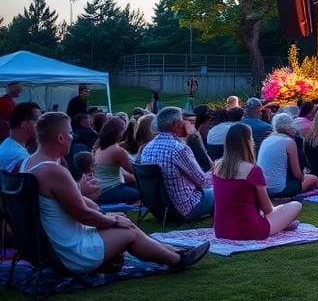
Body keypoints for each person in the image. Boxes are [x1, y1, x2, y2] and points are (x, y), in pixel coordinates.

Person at [23, 112, 209, 274]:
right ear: (61, 138)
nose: (72, 137)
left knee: (124, 221)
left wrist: (104, 213)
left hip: (50, 248)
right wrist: (111, 220)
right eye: (70, 133)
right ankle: (177, 261)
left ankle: (174, 251)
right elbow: (84, 214)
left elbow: (78, 208)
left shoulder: (29, 164)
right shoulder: (53, 171)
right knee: (128, 232)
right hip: (71, 252)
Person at [213, 123, 302, 239]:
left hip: (221, 230)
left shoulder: (217, 167)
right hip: (251, 230)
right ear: (247, 143)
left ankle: (284, 223)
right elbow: (268, 209)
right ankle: (284, 224)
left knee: (279, 210)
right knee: (295, 205)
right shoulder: (253, 171)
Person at [139, 107, 215, 220]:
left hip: (159, 209)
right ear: (176, 124)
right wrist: (219, 174)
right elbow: (202, 180)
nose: (186, 123)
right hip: (185, 208)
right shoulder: (178, 149)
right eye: (183, 120)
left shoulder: (147, 148)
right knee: (226, 191)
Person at [256, 112, 318, 198]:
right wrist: (305, 178)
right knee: (313, 179)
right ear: (289, 126)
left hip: (262, 188)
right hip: (278, 189)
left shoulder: (267, 139)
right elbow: (297, 174)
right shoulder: (289, 142)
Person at [93, 117, 140, 205]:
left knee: (138, 187)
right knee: (144, 192)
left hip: (101, 190)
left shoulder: (99, 147)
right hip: (110, 191)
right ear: (118, 133)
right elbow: (135, 170)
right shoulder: (117, 150)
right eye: (123, 131)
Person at [0, 101, 40, 173]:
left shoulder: (8, 144)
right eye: (38, 122)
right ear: (24, 124)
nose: (41, 126)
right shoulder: (19, 156)